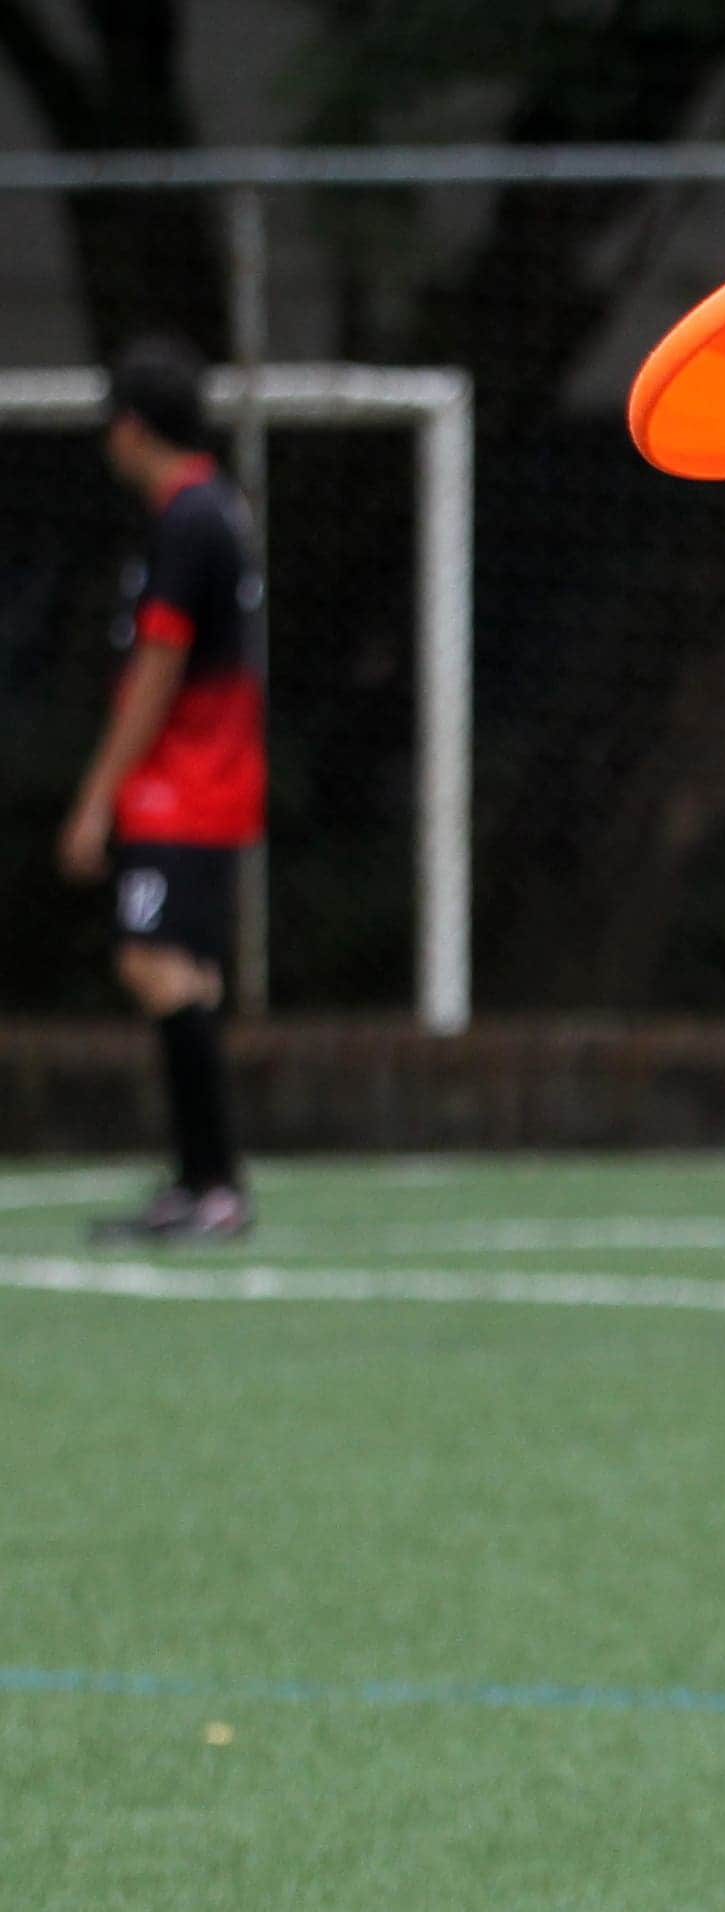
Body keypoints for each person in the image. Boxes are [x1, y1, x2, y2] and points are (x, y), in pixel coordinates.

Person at [52, 334, 264, 1243]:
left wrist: (98, 794)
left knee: (153, 963)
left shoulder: (187, 518)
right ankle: (201, 1178)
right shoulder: (214, 508)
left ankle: (212, 1183)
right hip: (213, 780)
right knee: (188, 974)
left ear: (132, 429)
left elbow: (160, 666)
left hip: (185, 782)